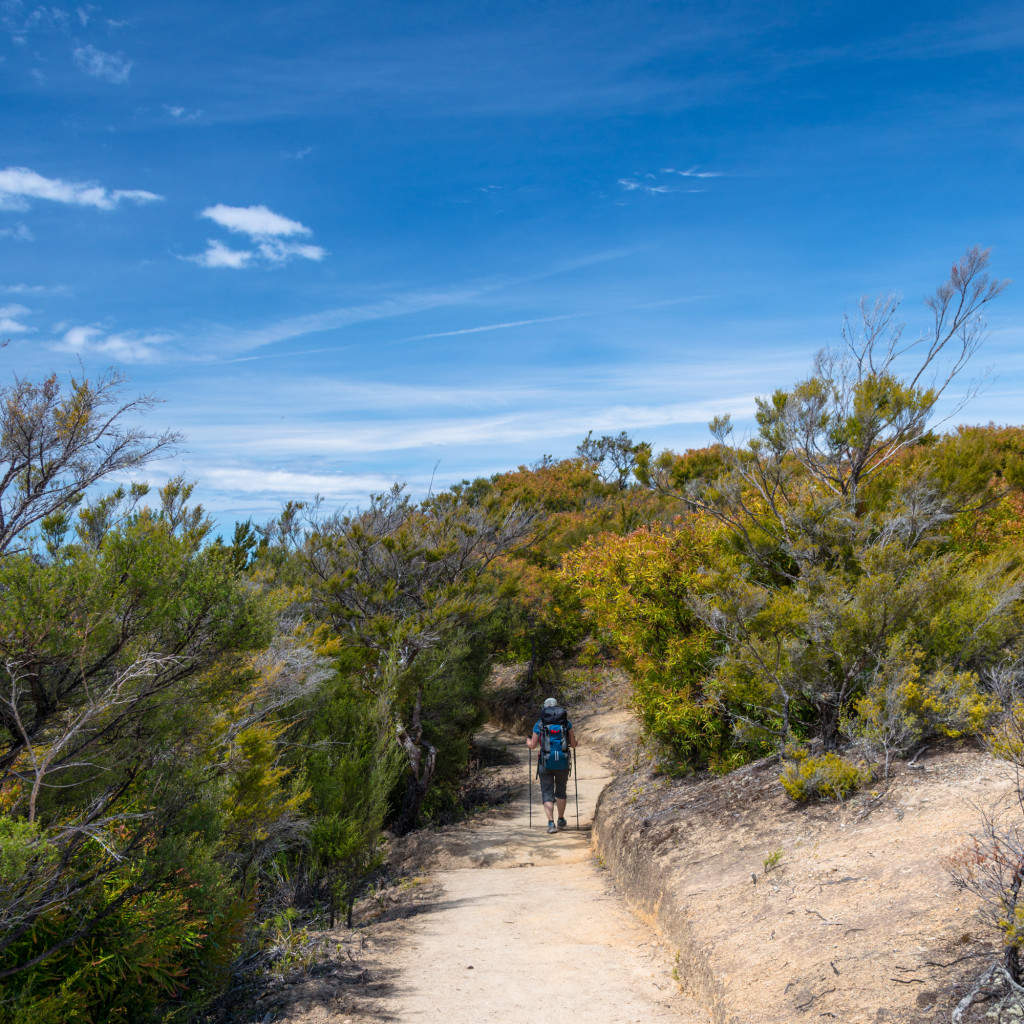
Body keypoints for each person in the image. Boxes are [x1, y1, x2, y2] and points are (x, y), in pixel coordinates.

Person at [527, 697, 577, 833]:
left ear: (545, 708)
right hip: (563, 761)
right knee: (561, 792)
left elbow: (532, 745)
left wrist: (527, 741)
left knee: (547, 793)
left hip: (545, 762)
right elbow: (573, 744)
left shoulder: (540, 723)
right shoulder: (566, 723)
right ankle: (561, 819)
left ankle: (551, 823)